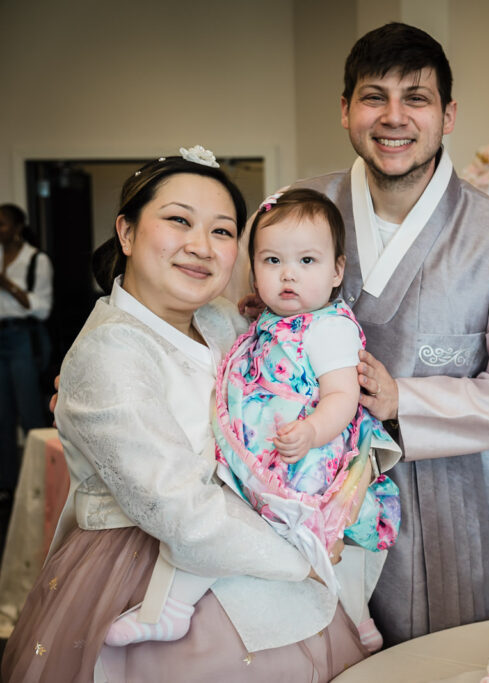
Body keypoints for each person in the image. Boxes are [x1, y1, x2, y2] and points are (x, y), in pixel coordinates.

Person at [1, 149, 371, 682]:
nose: (201, 246)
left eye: (222, 231)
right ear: (126, 233)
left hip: (259, 535)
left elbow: (298, 383)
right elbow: (180, 508)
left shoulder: (223, 319)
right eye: (178, 220)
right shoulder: (109, 354)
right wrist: (302, 558)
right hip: (150, 564)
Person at [286, 22, 489, 645]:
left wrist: (404, 399)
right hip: (312, 486)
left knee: (453, 660)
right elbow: (235, 331)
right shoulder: (293, 210)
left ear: (448, 113)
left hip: (458, 499)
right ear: (345, 110)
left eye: (416, 98)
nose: (394, 117)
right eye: (373, 96)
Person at [104, 187, 400, 653]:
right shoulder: (266, 320)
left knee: (317, 541)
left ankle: (357, 619)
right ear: (252, 269)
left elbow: (343, 398)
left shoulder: (330, 329)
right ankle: (171, 609)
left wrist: (312, 431)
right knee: (223, 529)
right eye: (272, 261)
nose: (288, 275)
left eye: (307, 262)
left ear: (337, 270)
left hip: (303, 459)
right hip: (259, 451)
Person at [0, 203, 53, 500]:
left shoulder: (36, 260)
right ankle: (7, 485)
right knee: (2, 416)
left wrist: (7, 284)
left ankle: (40, 486)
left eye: (3, 224)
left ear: (18, 228)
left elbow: (43, 308)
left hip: (24, 338)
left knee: (30, 412)